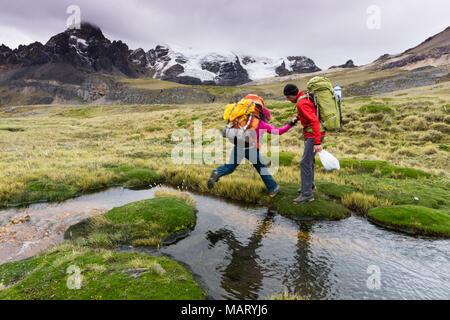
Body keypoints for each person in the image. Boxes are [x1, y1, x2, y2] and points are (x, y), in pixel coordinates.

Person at [207, 98, 298, 197]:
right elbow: (279, 131)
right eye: (267, 119)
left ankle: (217, 172)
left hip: (239, 146)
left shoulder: (245, 121)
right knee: (262, 169)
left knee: (230, 167)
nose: (267, 120)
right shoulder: (262, 124)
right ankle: (273, 189)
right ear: (264, 116)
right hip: (251, 149)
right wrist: (291, 124)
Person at [284, 84, 325, 204]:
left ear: (292, 95)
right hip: (314, 134)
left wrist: (317, 143)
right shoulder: (303, 97)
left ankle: (307, 194)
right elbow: (310, 112)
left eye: (287, 97)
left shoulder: (301, 103)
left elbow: (314, 121)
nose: (287, 99)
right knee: (310, 160)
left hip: (313, 135)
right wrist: (298, 117)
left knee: (305, 163)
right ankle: (309, 185)